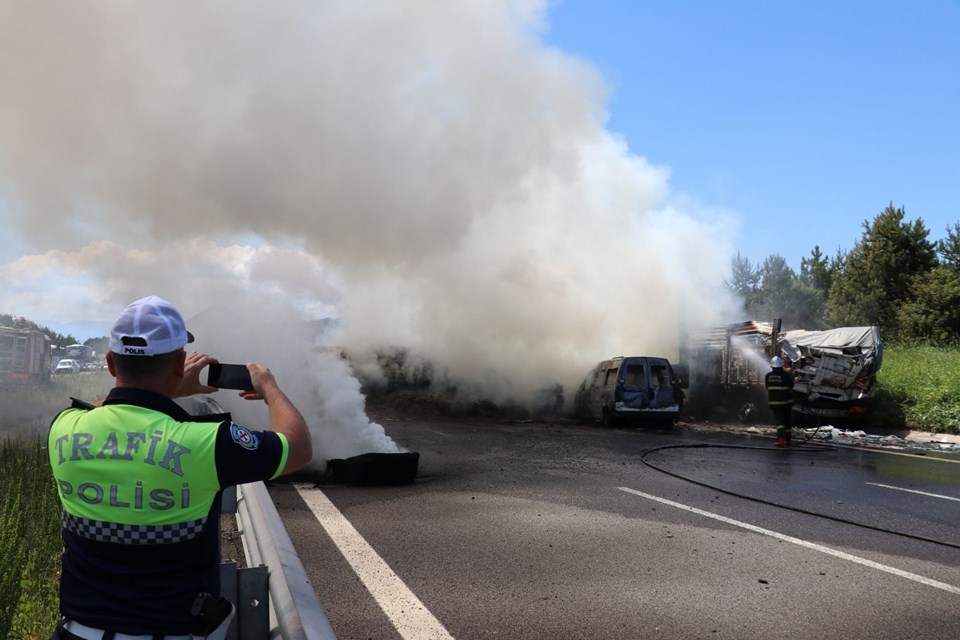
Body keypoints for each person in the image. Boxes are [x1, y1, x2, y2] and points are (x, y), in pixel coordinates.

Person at [47, 295, 313, 639]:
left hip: (76, 632)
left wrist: (163, 391)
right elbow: (298, 446)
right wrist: (269, 388)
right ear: (179, 364)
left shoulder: (64, 427)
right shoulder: (207, 442)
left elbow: (105, 409)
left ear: (111, 363)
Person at [765, 355, 795, 447]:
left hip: (775, 403)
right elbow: (791, 386)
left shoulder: (768, 376)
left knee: (780, 422)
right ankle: (787, 440)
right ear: (781, 366)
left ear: (772, 366)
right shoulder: (786, 375)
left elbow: (767, 387)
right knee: (787, 421)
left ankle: (781, 439)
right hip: (787, 402)